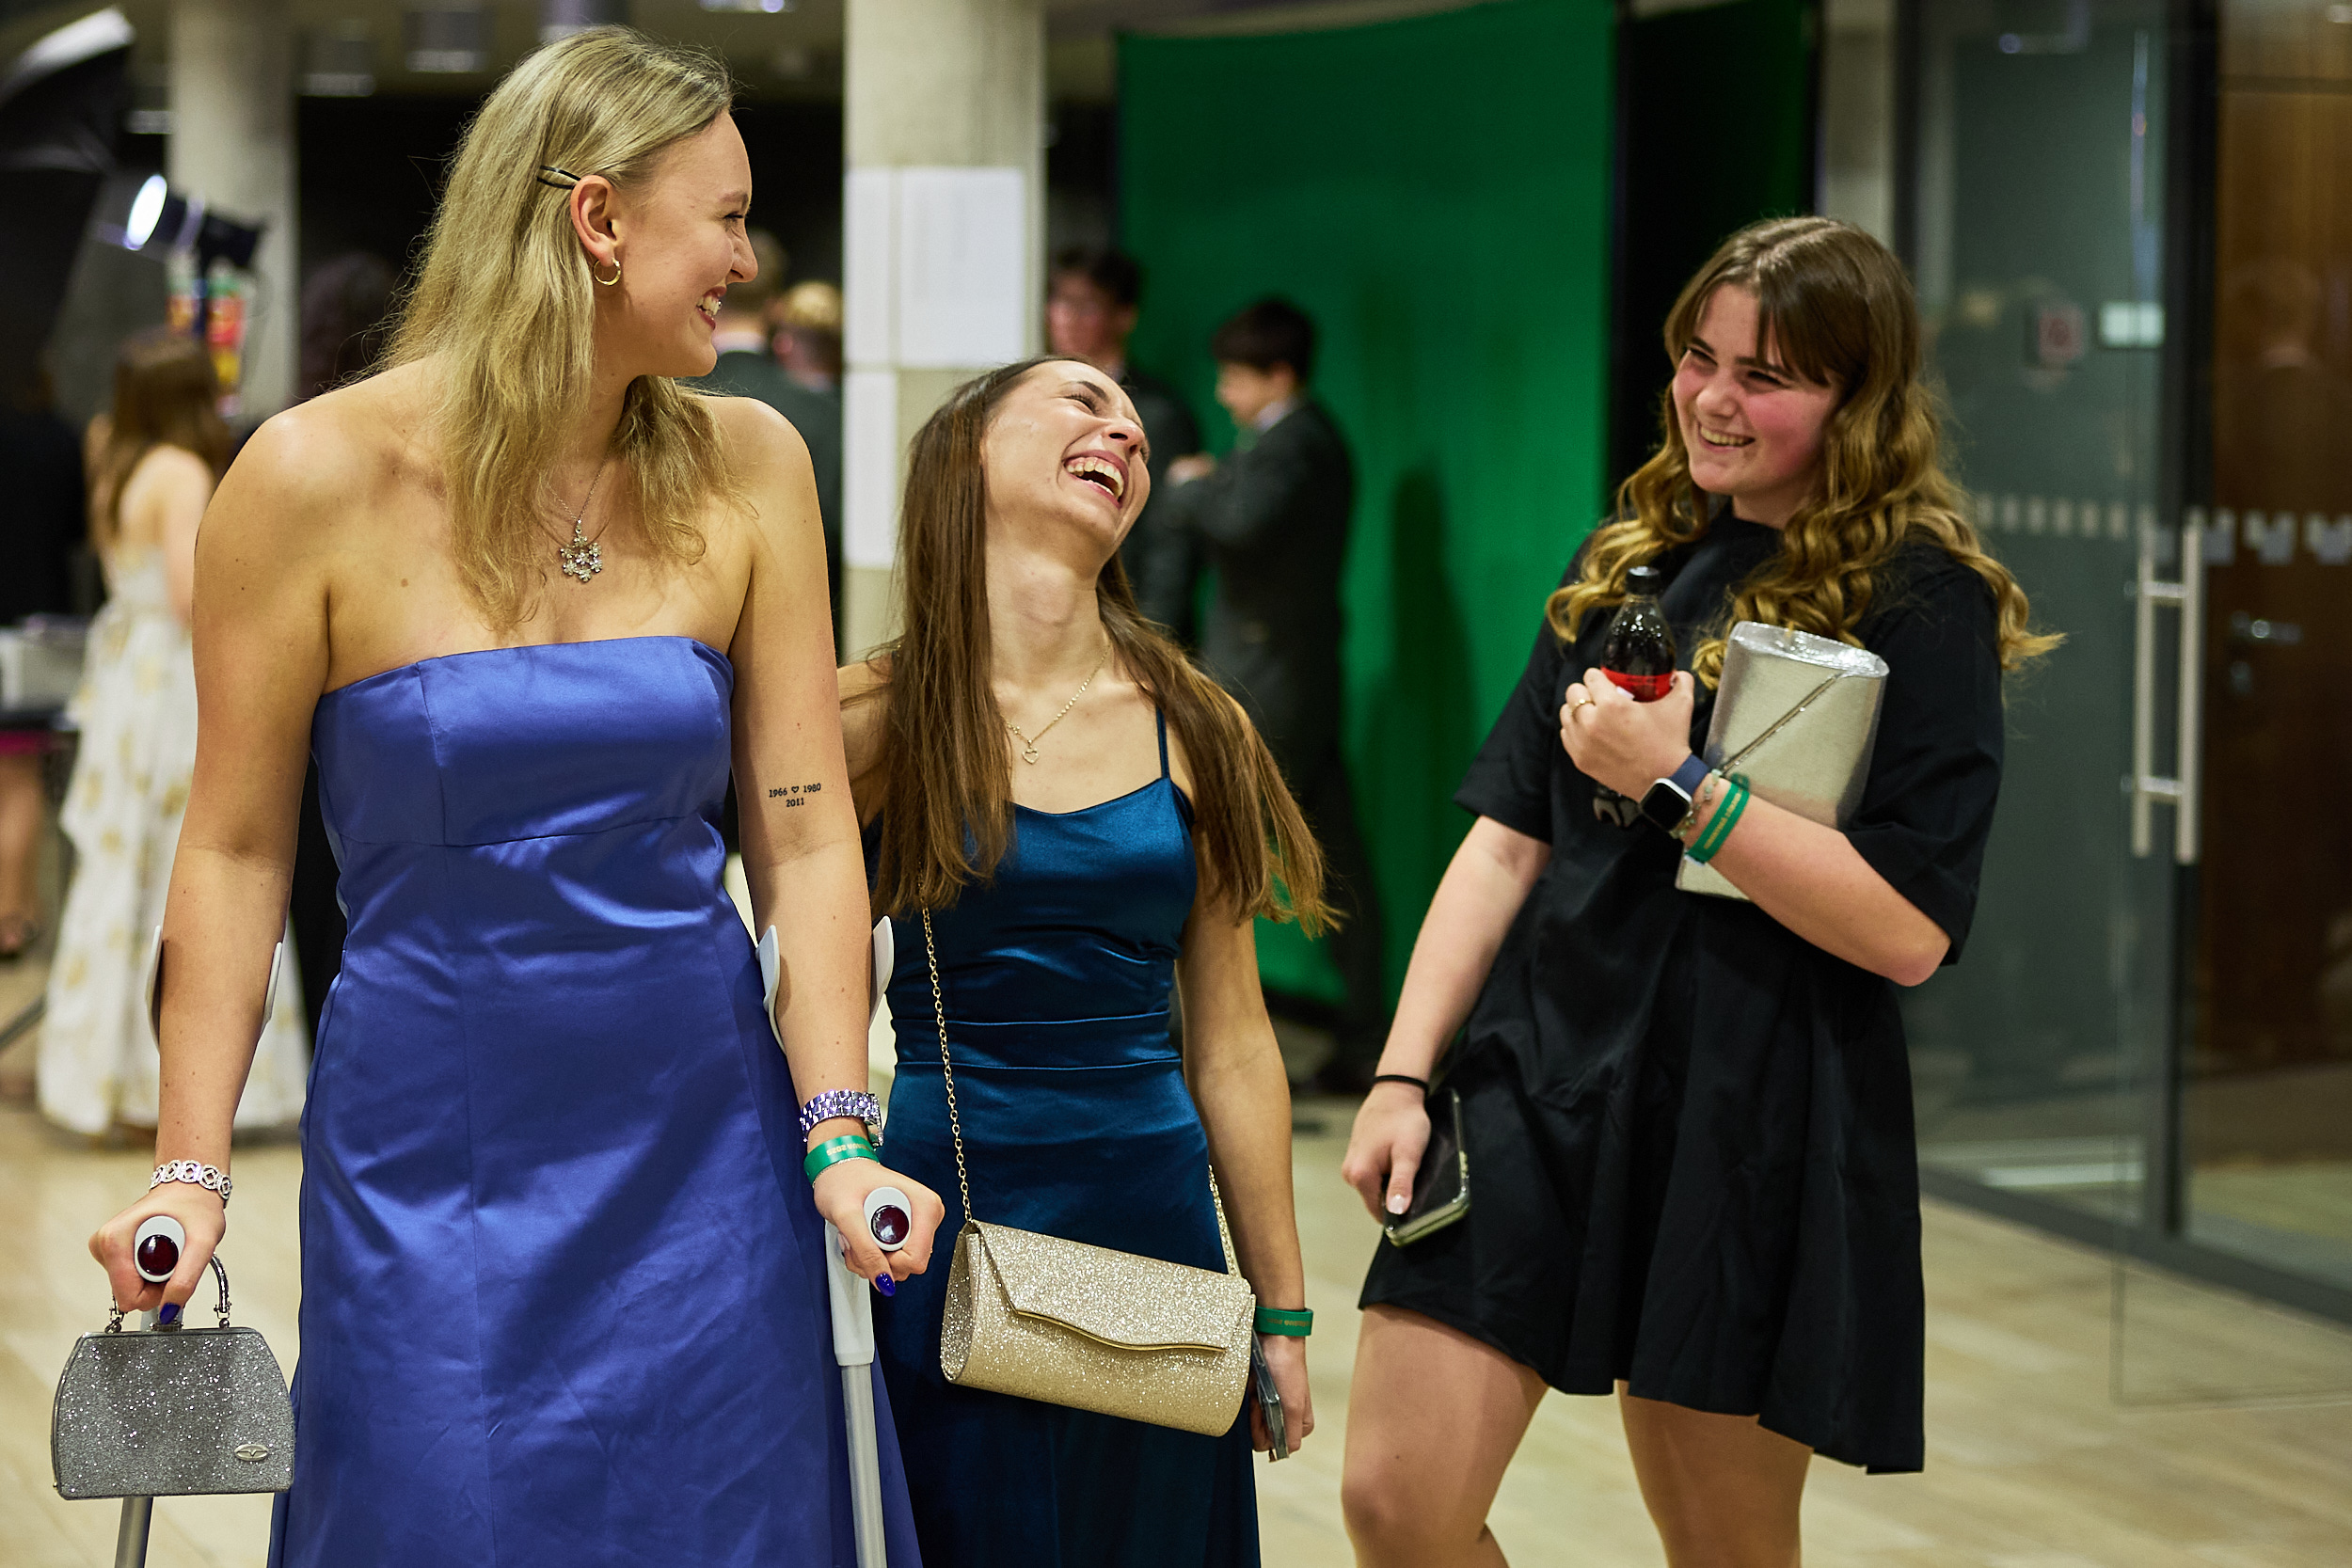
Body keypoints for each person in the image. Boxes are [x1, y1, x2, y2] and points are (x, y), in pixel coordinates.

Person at [83, 30, 940, 1565]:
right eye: (728, 218)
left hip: (706, 1135)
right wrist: (189, 1166)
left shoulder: (752, 464)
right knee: (434, 1503)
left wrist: (835, 1124)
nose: (750, 261)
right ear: (598, 221)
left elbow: (809, 831)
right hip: (433, 1138)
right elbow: (233, 849)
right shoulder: (305, 479)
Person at [1337, 217, 2058, 1567]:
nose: (1713, 399)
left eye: (1764, 375)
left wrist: (1681, 783)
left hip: (1747, 1101)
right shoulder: (1630, 562)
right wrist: (1399, 1073)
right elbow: (1504, 843)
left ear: (1855, 398)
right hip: (1537, 1072)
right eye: (1698, 358)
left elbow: (1907, 931)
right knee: (1395, 1502)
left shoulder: (1922, 599)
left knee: (1724, 1542)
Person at [844, 354, 1320, 1564]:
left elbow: (1233, 1041)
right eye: (1081, 401)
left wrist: (1281, 1310)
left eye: (1137, 426)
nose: (1127, 432)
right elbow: (799, 984)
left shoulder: (1199, 722)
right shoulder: (869, 716)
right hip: (944, 1213)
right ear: (967, 450)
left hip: (1149, 1218)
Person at [39, 329, 310, 1136]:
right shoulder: (183, 472)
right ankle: (172, 1087)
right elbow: (195, 597)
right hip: (173, 681)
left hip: (128, 678)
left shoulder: (116, 464)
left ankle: (106, 1077)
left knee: (124, 870)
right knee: (189, 864)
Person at [1158, 297, 1386, 1089]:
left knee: (1204, 849)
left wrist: (1190, 485)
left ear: (1279, 375)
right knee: (1331, 852)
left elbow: (1241, 521)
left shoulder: (1299, 445)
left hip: (1271, 684)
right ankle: (1366, 1032)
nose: (1224, 393)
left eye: (1235, 377)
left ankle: (1177, 1036)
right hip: (1287, 677)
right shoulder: (1292, 441)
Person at [1046, 246, 1202, 636]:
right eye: (1060, 301)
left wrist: (1150, 637)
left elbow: (1171, 541)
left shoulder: (1158, 413)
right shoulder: (1038, 403)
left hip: (1124, 621)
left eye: (1087, 306)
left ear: (1124, 317)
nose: (1067, 318)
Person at [694, 249, 844, 625]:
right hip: (799, 618)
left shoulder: (663, 400)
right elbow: (832, 534)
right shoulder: (824, 412)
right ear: (776, 308)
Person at [0, 364, 86, 962]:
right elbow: (79, 530)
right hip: (31, 631)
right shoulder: (59, 440)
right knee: (19, 778)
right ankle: (12, 917)